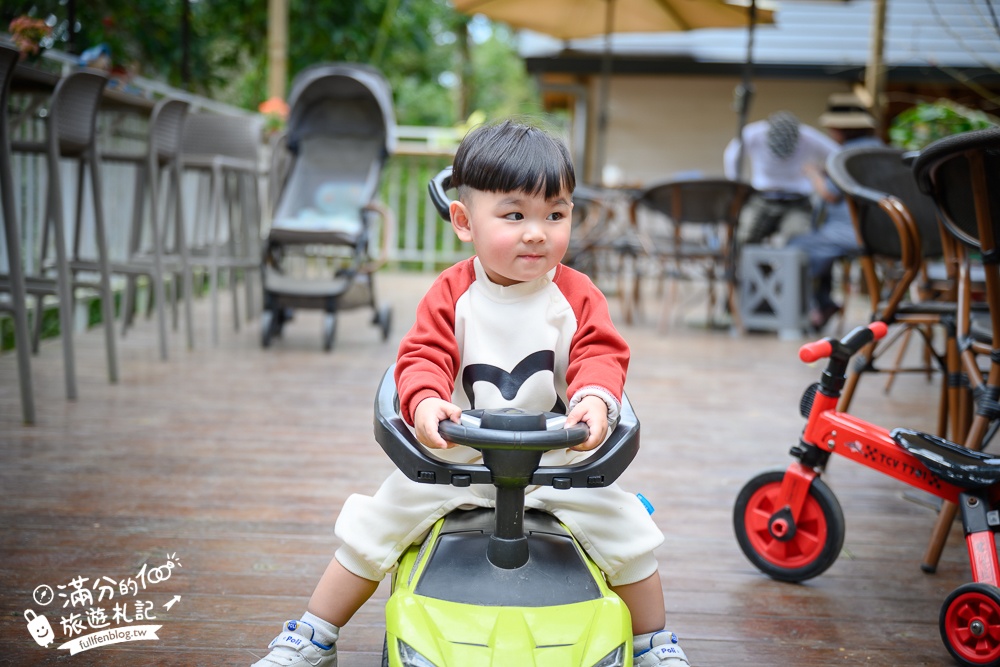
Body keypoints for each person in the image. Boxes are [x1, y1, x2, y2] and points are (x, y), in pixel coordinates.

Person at [251, 120, 691, 667]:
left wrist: (596, 398)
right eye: (515, 215)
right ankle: (315, 633)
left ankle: (653, 641)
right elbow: (422, 356)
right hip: (457, 460)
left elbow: (601, 354)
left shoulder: (576, 296)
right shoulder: (452, 293)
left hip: (556, 461)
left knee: (629, 531)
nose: (537, 232)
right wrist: (428, 401)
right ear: (464, 221)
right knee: (373, 525)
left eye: (556, 214)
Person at [789, 94, 884, 330]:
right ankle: (824, 304)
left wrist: (813, 173)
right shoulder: (880, 149)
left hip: (850, 233)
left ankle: (804, 312)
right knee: (819, 243)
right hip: (882, 234)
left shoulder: (843, 155)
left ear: (841, 129)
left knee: (796, 245)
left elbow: (830, 195)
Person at [724, 110, 840, 245]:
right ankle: (750, 265)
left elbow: (837, 156)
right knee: (745, 238)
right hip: (762, 199)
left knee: (798, 239)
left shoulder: (808, 136)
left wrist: (819, 171)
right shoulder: (754, 133)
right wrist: (735, 184)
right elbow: (732, 155)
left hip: (797, 203)